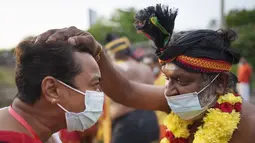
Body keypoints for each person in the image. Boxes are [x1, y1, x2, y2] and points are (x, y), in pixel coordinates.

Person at [34, 4, 255, 143]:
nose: (169, 90)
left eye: (181, 80)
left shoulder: (249, 125)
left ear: (220, 82)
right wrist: (97, 51)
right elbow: (127, 92)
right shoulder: (182, 102)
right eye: (168, 78)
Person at [0, 39, 104, 142]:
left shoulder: (46, 135)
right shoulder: (8, 139)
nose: (99, 92)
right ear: (52, 90)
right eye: (94, 84)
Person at [104, 33, 159, 143]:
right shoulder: (145, 68)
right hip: (150, 120)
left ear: (112, 54)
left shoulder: (115, 69)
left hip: (126, 124)